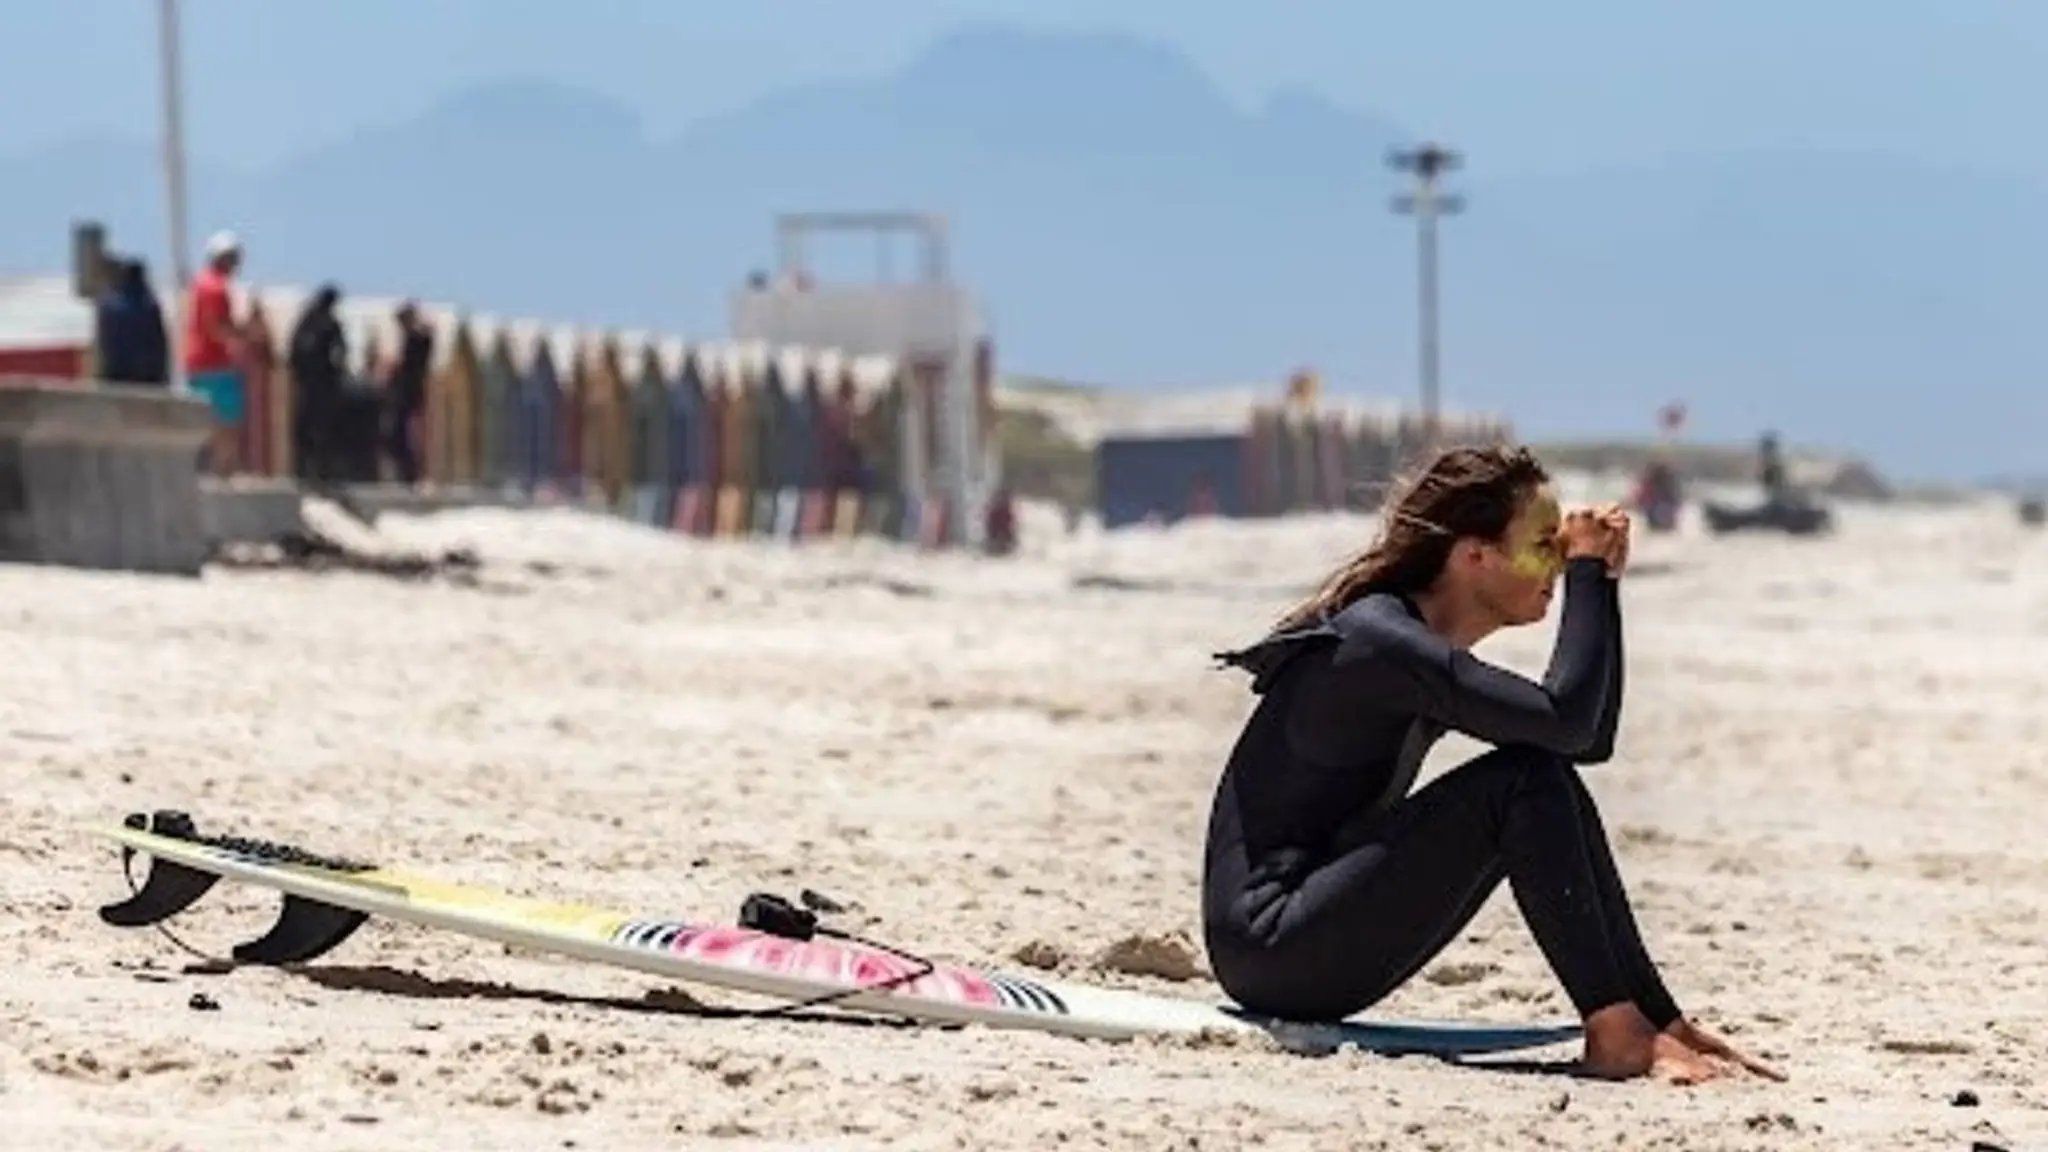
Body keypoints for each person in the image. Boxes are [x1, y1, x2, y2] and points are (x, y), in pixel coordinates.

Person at [1200, 444, 1784, 1085]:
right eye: (1543, 545)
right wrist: (1587, 576)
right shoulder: (1380, 641)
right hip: (1275, 946)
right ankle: (1617, 1034)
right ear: (1473, 556)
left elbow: (1582, 740)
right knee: (1520, 785)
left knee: (1541, 774)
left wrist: (1602, 584)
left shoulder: (1409, 643)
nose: (1556, 563)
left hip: (1308, 933)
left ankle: (1646, 1020)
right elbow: (1568, 723)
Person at [182, 231, 248, 475]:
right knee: (226, 425)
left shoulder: (200, 285)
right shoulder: (216, 288)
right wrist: (242, 336)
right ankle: (222, 473)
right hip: (216, 365)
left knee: (204, 423)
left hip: (198, 363)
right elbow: (216, 327)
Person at [287, 284, 349, 483]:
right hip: (323, 385)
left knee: (304, 427)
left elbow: (293, 352)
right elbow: (340, 353)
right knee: (322, 429)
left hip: (307, 383)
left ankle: (302, 470)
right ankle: (321, 471)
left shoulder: (305, 321)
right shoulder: (330, 324)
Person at [94, 257, 169, 387]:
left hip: (116, 376)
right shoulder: (150, 304)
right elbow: (160, 342)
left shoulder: (108, 304)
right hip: (149, 376)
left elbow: (102, 342)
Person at [382, 301, 434, 485]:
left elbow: (412, 365)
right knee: (400, 433)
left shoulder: (416, 338)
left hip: (409, 392)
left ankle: (411, 474)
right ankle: (407, 473)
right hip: (408, 391)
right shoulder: (414, 338)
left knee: (403, 433)